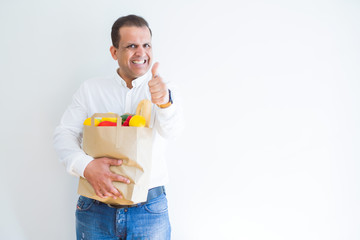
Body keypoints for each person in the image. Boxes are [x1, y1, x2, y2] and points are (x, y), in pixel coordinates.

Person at [53, 14, 183, 239]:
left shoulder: (163, 89)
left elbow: (172, 132)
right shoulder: (91, 89)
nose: (141, 53)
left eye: (146, 45)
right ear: (114, 52)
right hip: (95, 209)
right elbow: (64, 134)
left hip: (149, 210)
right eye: (131, 46)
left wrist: (164, 102)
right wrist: (85, 166)